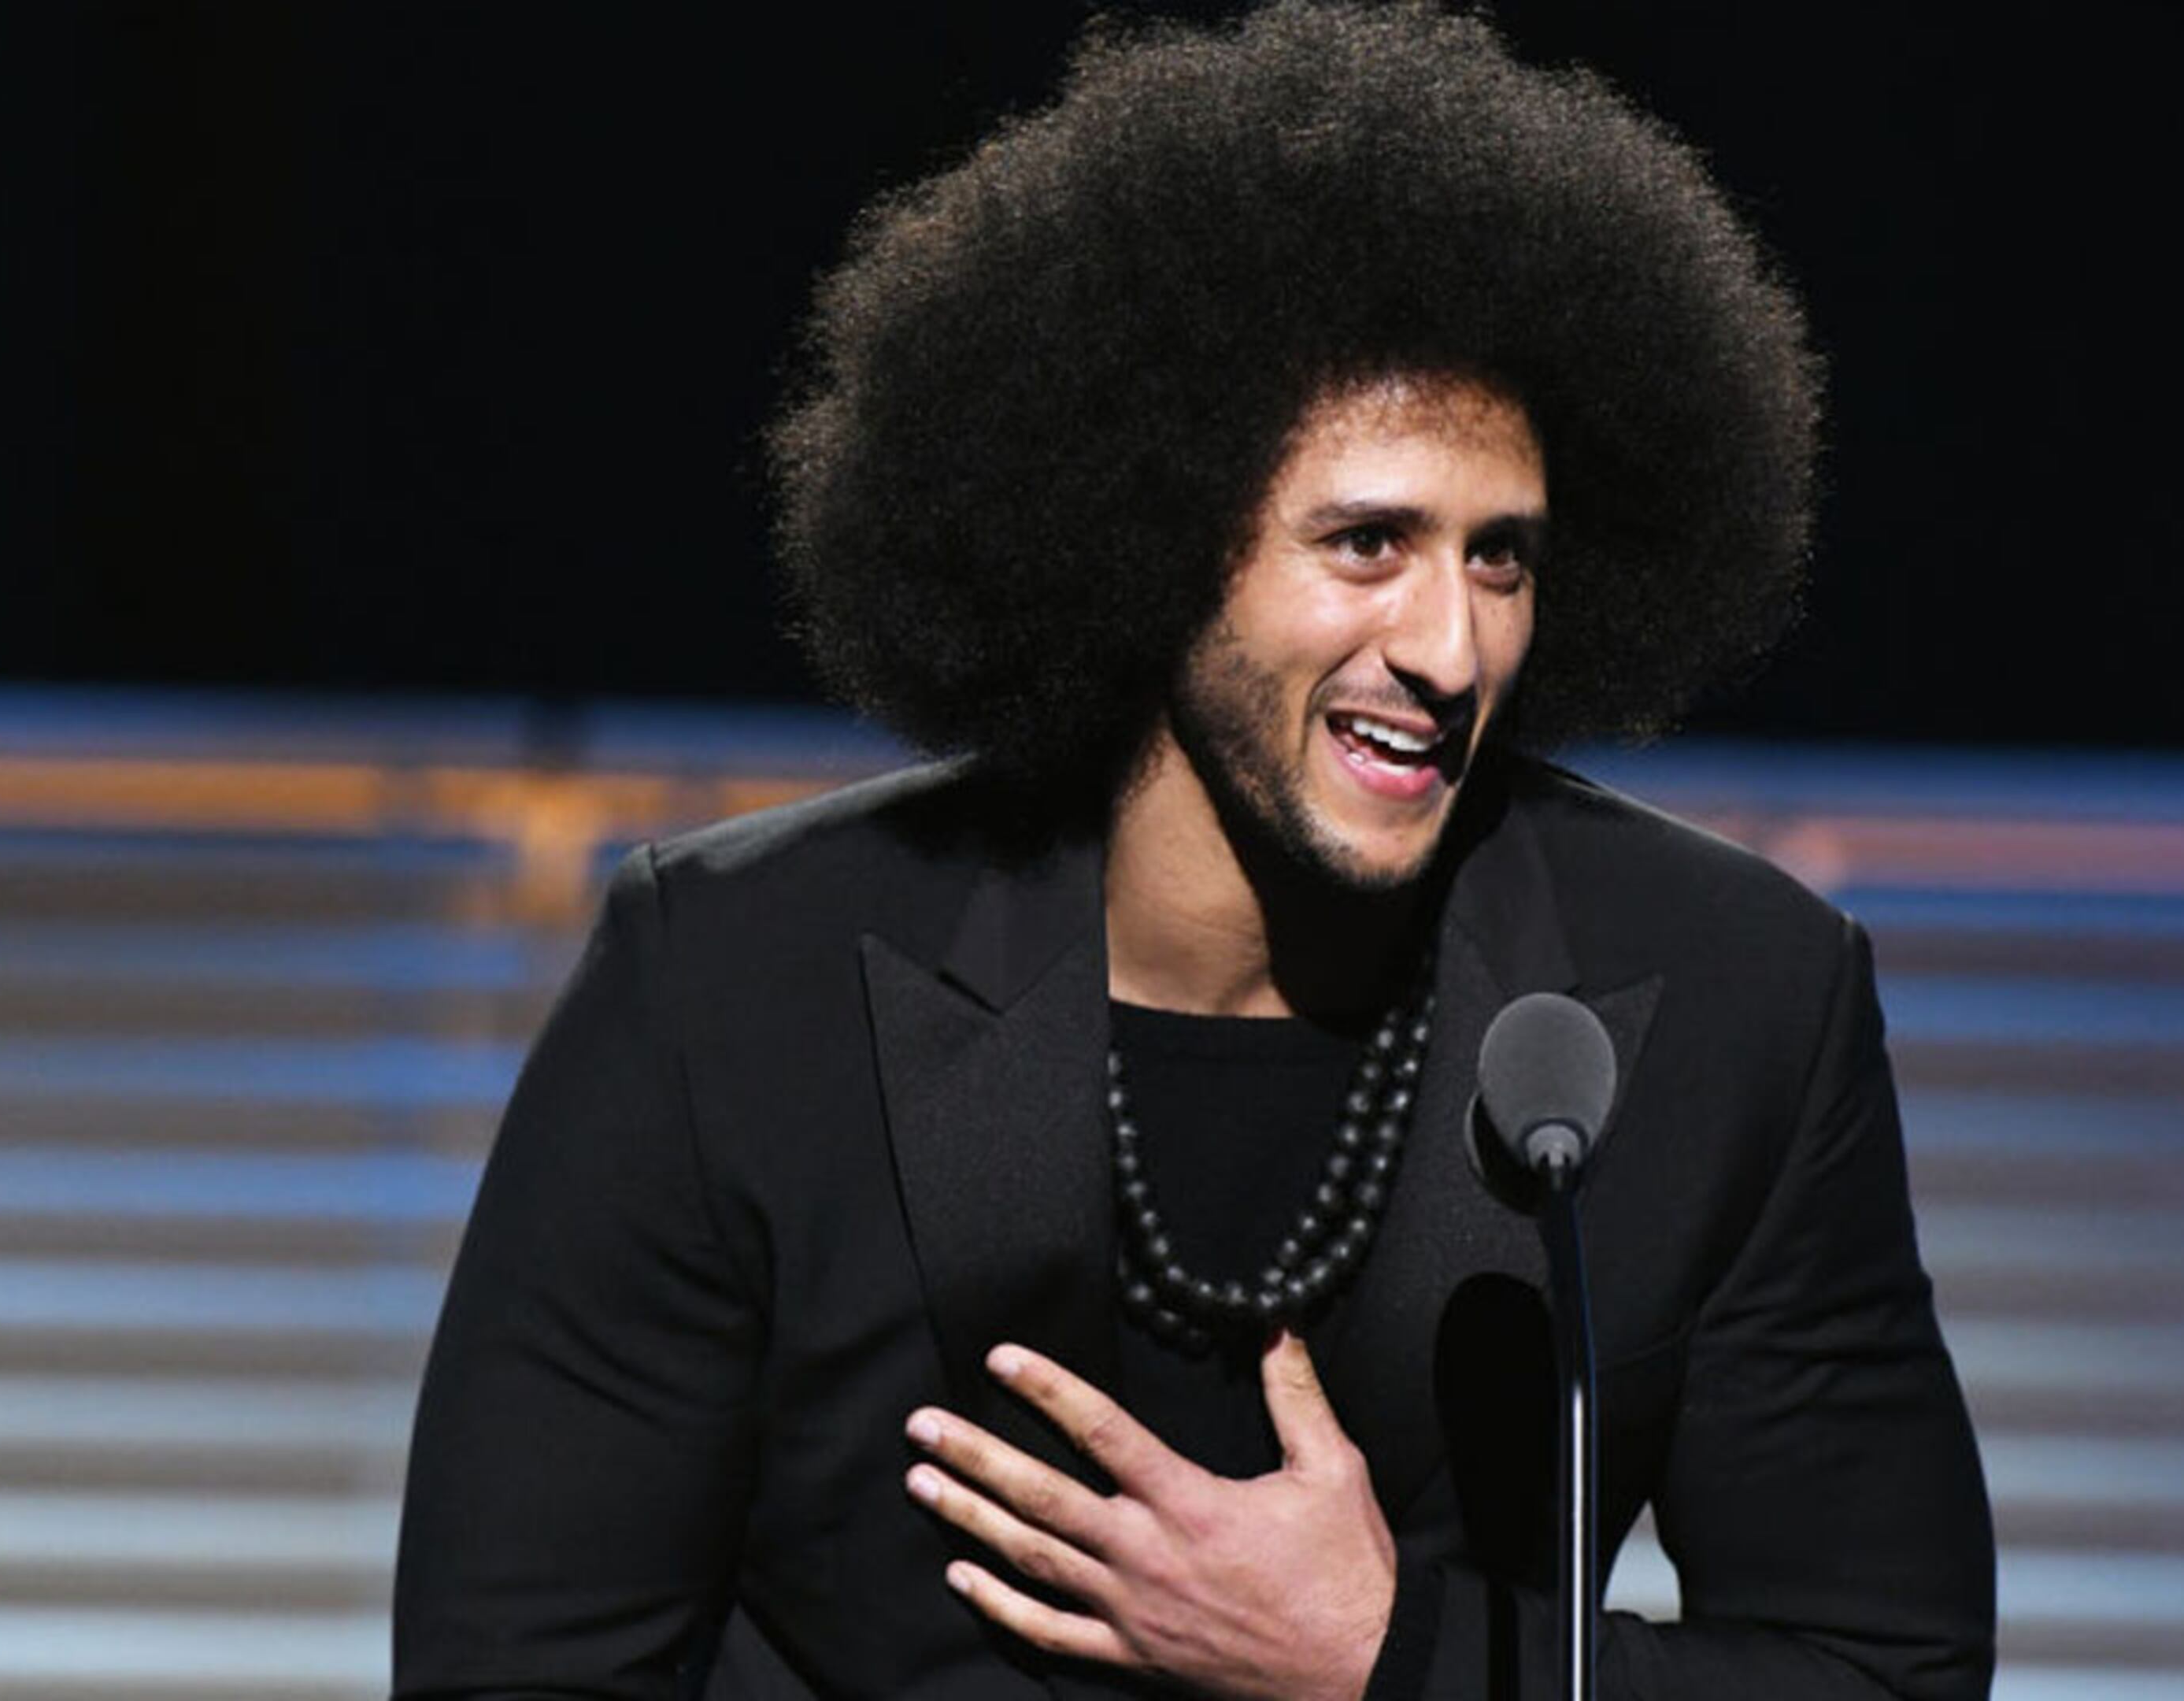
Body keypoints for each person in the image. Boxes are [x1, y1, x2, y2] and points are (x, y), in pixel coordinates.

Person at [392, 6, 1993, 1699]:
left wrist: (1385, 1661)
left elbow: (1878, 1674)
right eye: (1369, 541)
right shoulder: (729, 989)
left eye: (1503, 560)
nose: (1450, 647)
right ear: (1152, 537)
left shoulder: (1744, 1002)